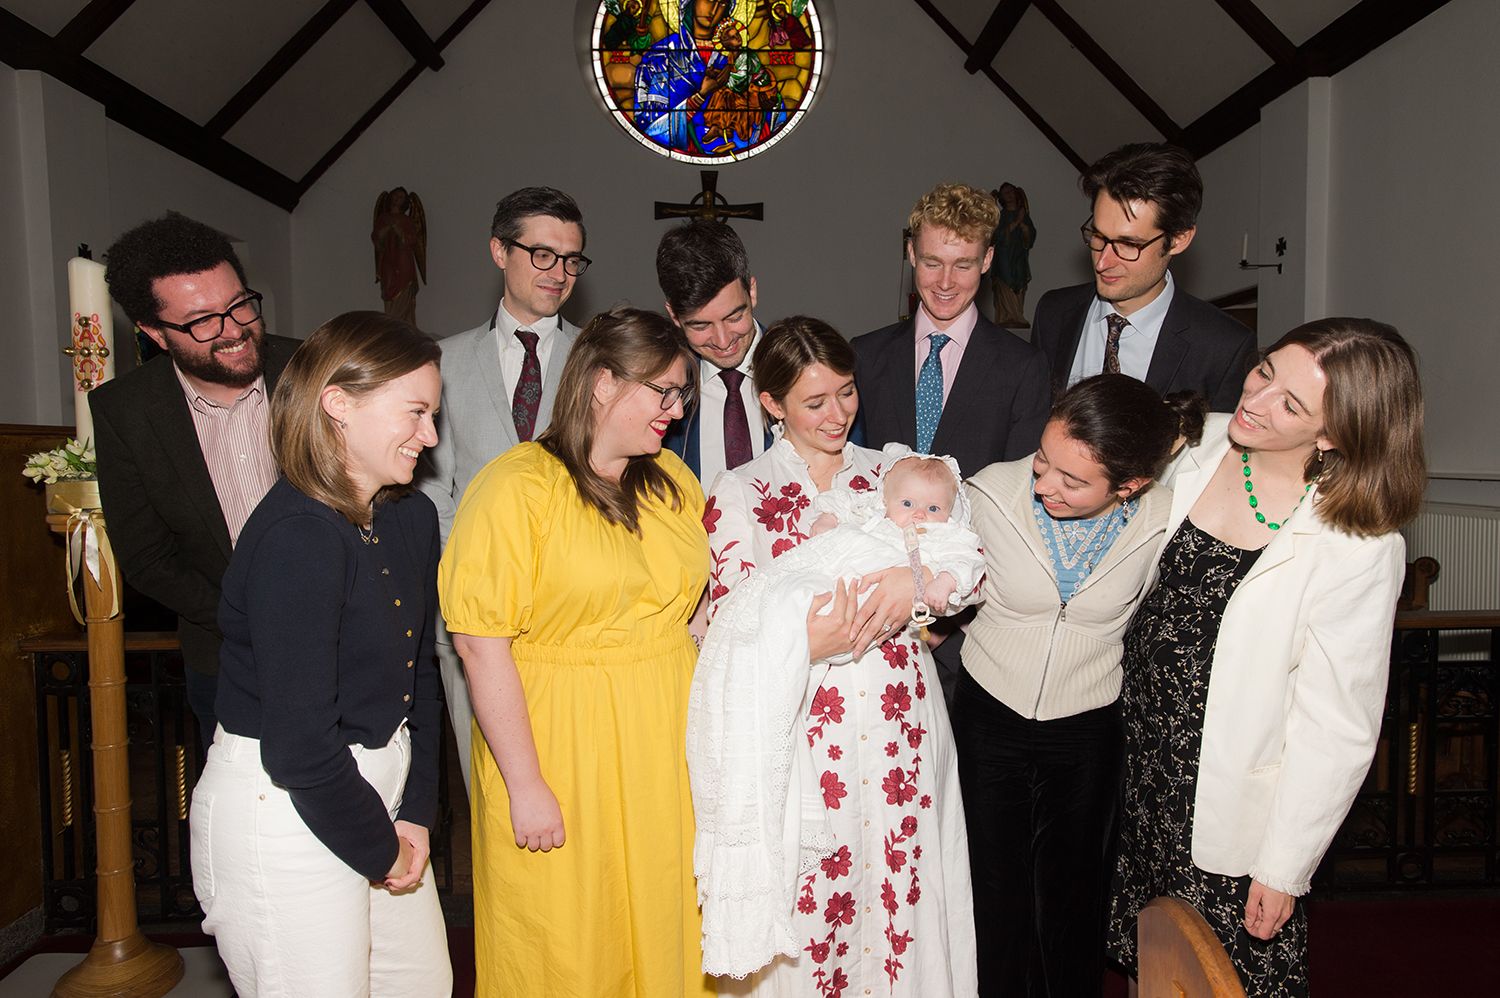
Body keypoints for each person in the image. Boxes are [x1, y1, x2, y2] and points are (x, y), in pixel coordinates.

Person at [1106, 318, 1426, 996]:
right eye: (1265, 371)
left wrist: (1285, 866)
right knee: (1146, 962)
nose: (1255, 400)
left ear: (1333, 434)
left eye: (1291, 404)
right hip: (1134, 770)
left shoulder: (1360, 546)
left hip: (1226, 801)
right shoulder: (1192, 443)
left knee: (1216, 978)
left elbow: (1337, 724)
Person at [438, 306, 713, 997]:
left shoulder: (672, 479)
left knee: (668, 913)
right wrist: (525, 785)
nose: (676, 411)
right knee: (570, 935)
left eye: (682, 395)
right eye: (663, 392)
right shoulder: (515, 487)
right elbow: (479, 645)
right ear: (601, 382)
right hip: (561, 741)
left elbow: (695, 614)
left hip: (665, 738)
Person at [705, 316, 978, 997]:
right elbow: (733, 623)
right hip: (805, 728)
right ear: (772, 403)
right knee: (818, 892)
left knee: (900, 882)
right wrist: (809, 638)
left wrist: (915, 586)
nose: (838, 414)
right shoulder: (740, 491)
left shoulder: (894, 469)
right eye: (815, 401)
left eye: (847, 392)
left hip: (899, 724)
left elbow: (966, 565)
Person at [189, 312, 450, 996]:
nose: (430, 435)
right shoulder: (297, 536)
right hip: (284, 813)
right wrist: (380, 847)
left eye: (433, 414)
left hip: (379, 800)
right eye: (416, 412)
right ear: (338, 404)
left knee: (422, 985)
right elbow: (300, 747)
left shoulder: (411, 516)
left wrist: (416, 810)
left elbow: (420, 674)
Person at [958, 374, 1207, 997]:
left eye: (1072, 481)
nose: (1045, 485)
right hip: (990, 713)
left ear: (1131, 485)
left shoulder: (1165, 521)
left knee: (1074, 892)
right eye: (1043, 461)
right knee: (992, 886)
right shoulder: (987, 492)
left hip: (1087, 725)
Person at [92, 212, 299, 750]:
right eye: (202, 321)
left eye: (239, 304)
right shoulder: (126, 411)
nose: (233, 330)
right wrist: (241, 618)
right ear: (154, 333)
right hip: (226, 658)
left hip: (349, 644)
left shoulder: (314, 366)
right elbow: (146, 557)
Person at [853, 181, 1052, 708]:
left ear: (987, 260)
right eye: (932, 262)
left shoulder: (1022, 367)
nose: (945, 282)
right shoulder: (866, 356)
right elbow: (852, 478)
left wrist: (953, 614)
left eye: (963, 264)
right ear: (910, 253)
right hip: (870, 614)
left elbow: (1020, 505)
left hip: (970, 634)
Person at [417, 185, 589, 794]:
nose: (559, 273)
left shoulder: (599, 362)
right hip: (472, 611)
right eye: (542, 254)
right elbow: (432, 488)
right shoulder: (442, 362)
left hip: (574, 614)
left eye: (571, 259)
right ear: (499, 251)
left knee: (572, 786)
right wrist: (472, 574)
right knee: (489, 788)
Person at [1031, 142, 1256, 412]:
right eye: (1099, 236)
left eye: (1129, 244)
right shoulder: (1053, 313)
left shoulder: (1223, 348)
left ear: (1178, 239)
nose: (1103, 262)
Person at [657, 218, 772, 486]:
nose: (723, 341)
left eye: (734, 317)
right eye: (701, 325)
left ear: (752, 291)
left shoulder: (805, 368)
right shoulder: (658, 390)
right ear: (673, 315)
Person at [989, 182, 1036, 327]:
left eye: (1011, 191)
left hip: (1019, 256)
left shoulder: (1024, 216)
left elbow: (1030, 237)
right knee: (1005, 282)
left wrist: (1024, 227)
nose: (1009, 195)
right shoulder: (1001, 216)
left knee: (1019, 281)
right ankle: (1007, 316)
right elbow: (996, 236)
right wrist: (1016, 222)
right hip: (1003, 256)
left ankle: (1017, 315)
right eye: (1005, 193)